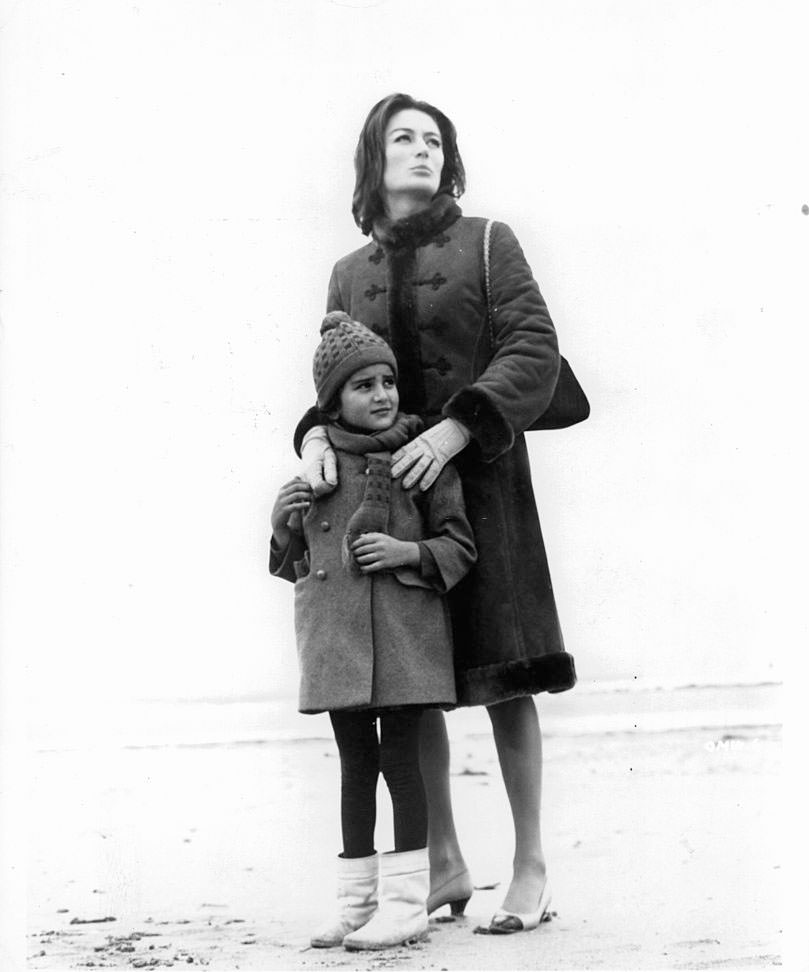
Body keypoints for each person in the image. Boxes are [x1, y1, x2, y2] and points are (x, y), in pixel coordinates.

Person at [296, 92, 580, 934]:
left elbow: (536, 348)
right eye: (403, 139)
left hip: (485, 485)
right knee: (411, 686)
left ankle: (530, 866)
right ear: (373, 159)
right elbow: (333, 380)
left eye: (433, 140)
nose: (421, 151)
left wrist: (459, 427)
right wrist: (313, 435)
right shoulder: (347, 273)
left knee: (507, 673)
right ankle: (446, 863)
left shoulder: (489, 242)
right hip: (392, 504)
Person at [270, 311, 476, 951]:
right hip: (337, 643)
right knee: (355, 765)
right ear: (333, 401)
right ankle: (356, 904)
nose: (383, 394)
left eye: (388, 381)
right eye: (363, 385)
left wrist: (407, 553)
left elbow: (460, 547)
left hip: (406, 637)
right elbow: (295, 561)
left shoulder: (424, 459)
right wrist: (281, 527)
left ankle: (408, 904)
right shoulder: (317, 467)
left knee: (400, 764)